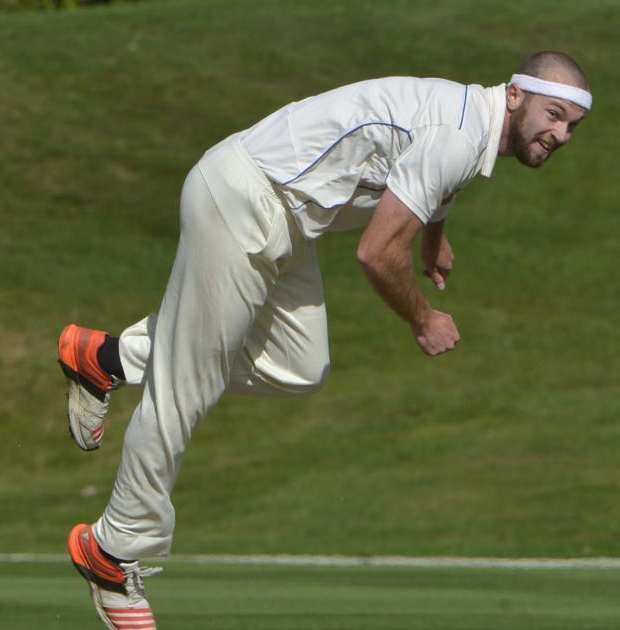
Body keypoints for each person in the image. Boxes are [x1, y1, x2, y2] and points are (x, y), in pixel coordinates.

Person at [61, 50, 591, 629]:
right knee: (186, 385)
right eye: (554, 114)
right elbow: (376, 253)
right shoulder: (459, 134)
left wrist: (434, 235)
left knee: (298, 366)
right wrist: (422, 319)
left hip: (288, 217)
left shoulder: (471, 119)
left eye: (571, 125)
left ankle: (105, 358)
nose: (560, 134)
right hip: (245, 196)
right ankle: (113, 551)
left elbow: (429, 170)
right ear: (516, 94)